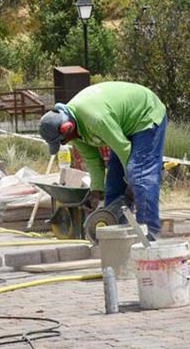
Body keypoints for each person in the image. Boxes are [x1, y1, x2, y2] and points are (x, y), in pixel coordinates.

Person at [38, 81, 168, 240]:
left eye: (63, 140)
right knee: (113, 185)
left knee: (140, 176)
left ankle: (150, 236)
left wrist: (131, 182)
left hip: (145, 114)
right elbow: (93, 159)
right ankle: (115, 238)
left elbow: (123, 149)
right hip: (123, 125)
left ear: (67, 127)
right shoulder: (72, 132)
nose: (64, 143)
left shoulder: (95, 119)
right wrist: (96, 191)